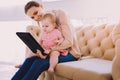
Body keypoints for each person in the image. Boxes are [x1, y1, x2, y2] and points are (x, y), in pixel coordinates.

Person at [11, 1, 81, 80]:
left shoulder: (60, 14)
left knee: (38, 63)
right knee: (29, 60)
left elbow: (69, 42)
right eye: (32, 17)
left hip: (70, 53)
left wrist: (50, 49)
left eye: (36, 12)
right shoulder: (44, 22)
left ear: (41, 6)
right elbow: (44, 43)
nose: (36, 18)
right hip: (52, 52)